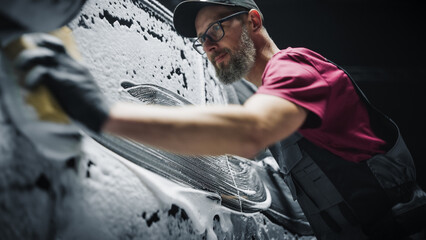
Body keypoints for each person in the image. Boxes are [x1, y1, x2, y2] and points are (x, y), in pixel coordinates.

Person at [11, 0, 425, 239]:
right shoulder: (279, 101)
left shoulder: (293, 67)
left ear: (253, 20)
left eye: (215, 31)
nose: (207, 47)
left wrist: (101, 114)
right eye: (200, 40)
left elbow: (249, 132)